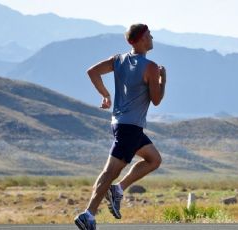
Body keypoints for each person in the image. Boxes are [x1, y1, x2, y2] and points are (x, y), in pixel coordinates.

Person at [74, 23, 166, 230]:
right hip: (130, 128)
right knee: (110, 172)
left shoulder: (118, 60)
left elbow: (92, 72)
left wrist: (105, 95)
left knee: (154, 159)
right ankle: (88, 214)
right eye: (150, 35)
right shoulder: (150, 67)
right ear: (142, 39)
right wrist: (163, 81)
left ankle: (118, 190)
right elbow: (157, 99)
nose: (152, 38)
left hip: (121, 124)